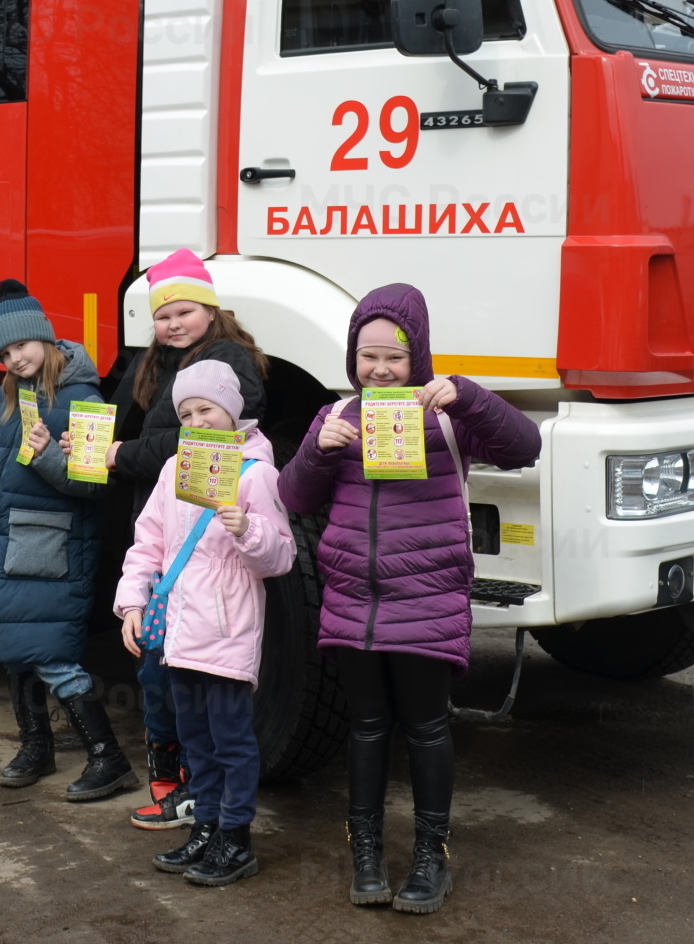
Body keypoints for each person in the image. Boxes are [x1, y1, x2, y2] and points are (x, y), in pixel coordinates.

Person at [278, 284, 541, 915]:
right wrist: (317, 452)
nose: (379, 370)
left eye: (393, 358)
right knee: (366, 729)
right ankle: (365, 852)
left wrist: (471, 394)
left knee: (426, 728)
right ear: (352, 359)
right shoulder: (335, 417)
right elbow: (294, 499)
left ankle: (431, 856)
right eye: (367, 357)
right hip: (352, 604)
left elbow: (525, 447)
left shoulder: (448, 418)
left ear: (416, 359)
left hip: (426, 601)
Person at [114, 360, 294, 886]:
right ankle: (208, 826)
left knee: (231, 740)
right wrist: (132, 603)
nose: (196, 421)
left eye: (206, 409)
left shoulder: (257, 473)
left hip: (226, 629)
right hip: (178, 630)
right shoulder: (174, 469)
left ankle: (236, 838)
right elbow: (148, 540)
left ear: (232, 411)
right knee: (195, 738)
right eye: (186, 413)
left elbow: (279, 558)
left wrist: (249, 530)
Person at [109, 249, 269, 831]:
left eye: (185, 311)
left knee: (177, 683)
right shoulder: (165, 362)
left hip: (204, 555)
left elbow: (190, 448)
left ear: (210, 309)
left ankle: (198, 803)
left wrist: (121, 455)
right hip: (171, 536)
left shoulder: (223, 364)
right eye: (163, 315)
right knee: (163, 672)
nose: (173, 324)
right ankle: (182, 792)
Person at [0, 280, 135, 801]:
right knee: (18, 651)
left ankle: (109, 757)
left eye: (22, 346)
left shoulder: (85, 397)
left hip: (49, 551)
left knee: (51, 654)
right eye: (6, 352)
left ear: (47, 339)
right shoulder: (5, 400)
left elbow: (91, 483)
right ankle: (36, 746)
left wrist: (46, 456)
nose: (15, 359)